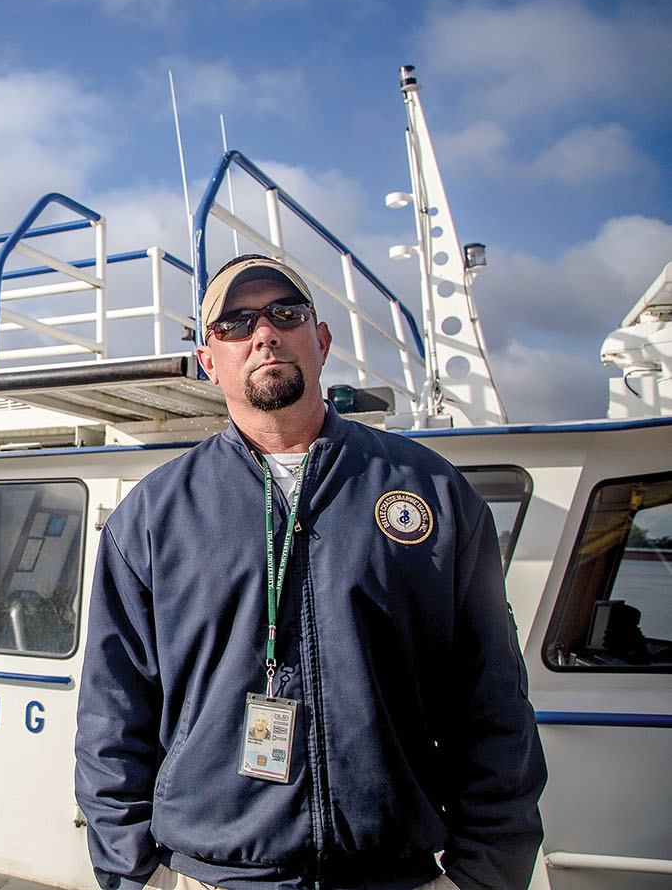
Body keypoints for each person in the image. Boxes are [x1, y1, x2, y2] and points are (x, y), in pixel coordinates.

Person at [74, 255, 546, 890]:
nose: (264, 333)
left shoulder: (433, 491)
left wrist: (485, 876)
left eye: (285, 314)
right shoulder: (153, 517)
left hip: (397, 875)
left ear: (321, 340)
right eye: (236, 323)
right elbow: (112, 715)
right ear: (210, 361)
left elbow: (494, 701)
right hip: (212, 877)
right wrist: (134, 878)